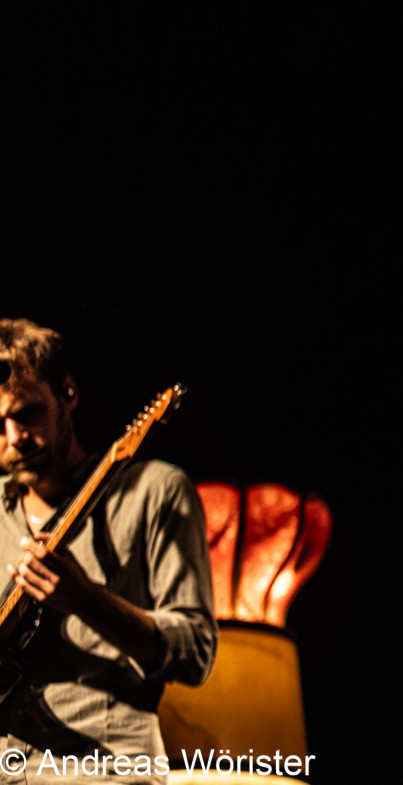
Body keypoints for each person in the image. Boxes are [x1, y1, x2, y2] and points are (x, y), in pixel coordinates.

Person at [0, 319, 215, 784]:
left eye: (27, 413)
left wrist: (87, 600)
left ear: (68, 393)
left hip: (105, 768)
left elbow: (195, 652)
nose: (14, 437)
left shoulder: (156, 491)